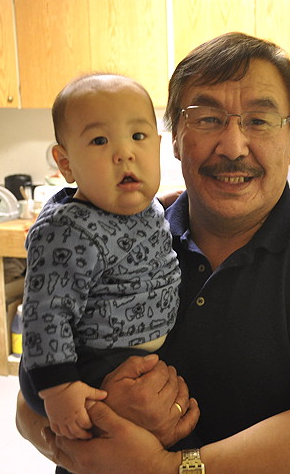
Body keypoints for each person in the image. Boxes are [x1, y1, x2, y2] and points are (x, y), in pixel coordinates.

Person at [16, 32, 290, 474]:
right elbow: (28, 408)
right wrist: (102, 410)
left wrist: (165, 468)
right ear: (176, 139)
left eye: (259, 121)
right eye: (206, 119)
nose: (233, 146)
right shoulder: (127, 230)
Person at [19, 73, 183, 451]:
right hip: (80, 365)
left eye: (138, 137)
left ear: (157, 147)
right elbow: (46, 314)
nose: (124, 153)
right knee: (101, 451)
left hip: (125, 358)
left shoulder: (143, 205)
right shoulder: (68, 230)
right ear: (66, 164)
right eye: (99, 140)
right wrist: (60, 388)